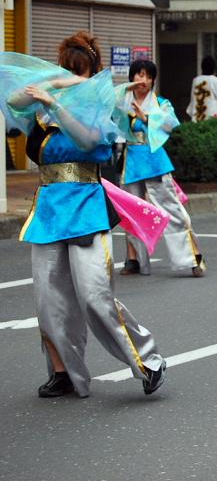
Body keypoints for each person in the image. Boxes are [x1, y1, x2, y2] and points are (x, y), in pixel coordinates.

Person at [0, 32, 166, 398]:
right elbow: (11, 99)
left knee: (94, 295)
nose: (72, 78)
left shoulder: (100, 105)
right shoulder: (42, 107)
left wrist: (64, 100)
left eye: (80, 72)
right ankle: (64, 373)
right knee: (48, 300)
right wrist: (52, 83)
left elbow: (91, 143)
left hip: (88, 206)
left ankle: (148, 360)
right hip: (48, 210)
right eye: (67, 69)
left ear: (93, 74)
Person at [117, 59, 207, 277]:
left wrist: (147, 118)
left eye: (148, 76)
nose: (143, 80)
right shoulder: (122, 100)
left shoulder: (160, 103)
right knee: (132, 212)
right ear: (131, 77)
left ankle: (192, 257)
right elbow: (105, 103)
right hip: (131, 164)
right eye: (139, 75)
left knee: (172, 211)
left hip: (155, 161)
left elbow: (171, 123)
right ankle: (134, 258)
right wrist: (126, 91)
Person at [186, 55, 217, 122]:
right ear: (214, 68)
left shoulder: (196, 80)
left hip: (197, 116)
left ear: (202, 67)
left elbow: (193, 97)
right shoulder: (216, 81)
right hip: (212, 117)